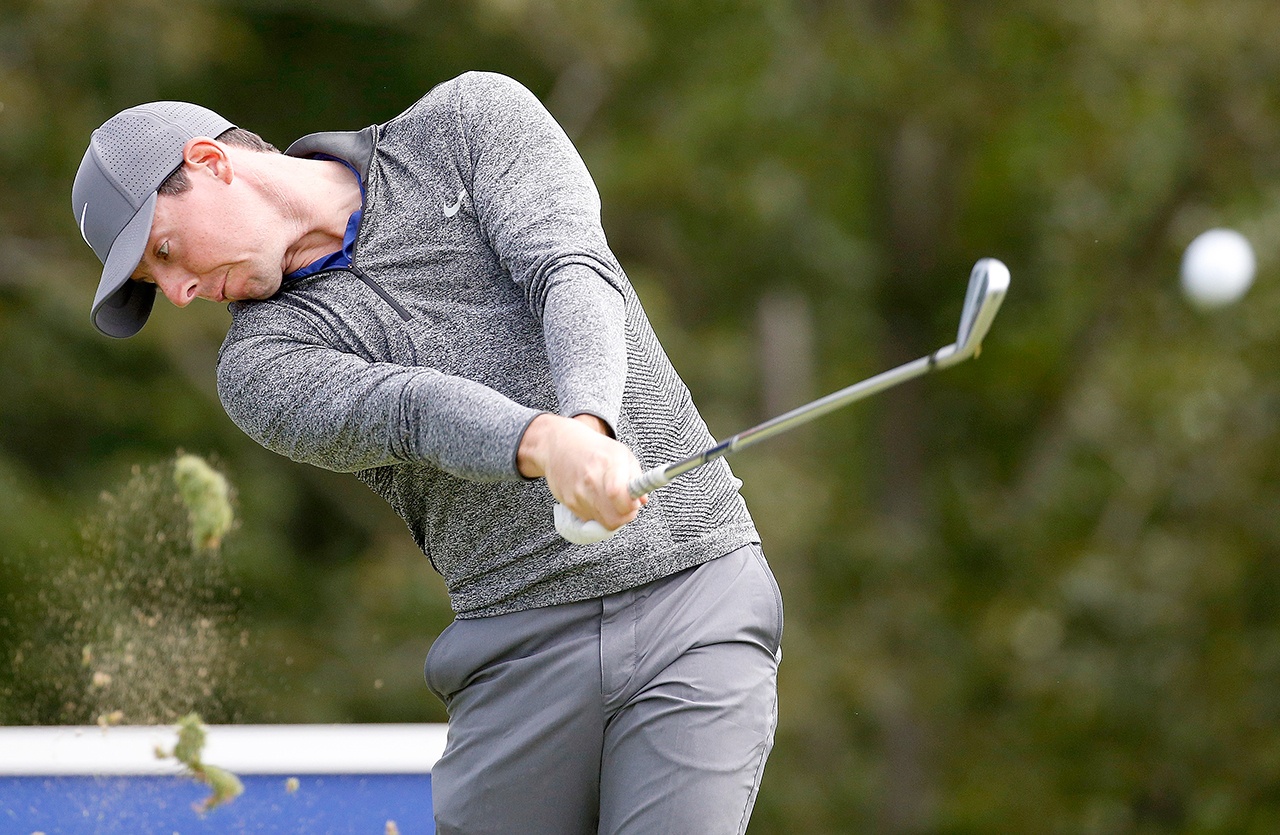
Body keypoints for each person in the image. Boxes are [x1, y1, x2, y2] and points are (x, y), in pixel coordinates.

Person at [72, 72, 782, 834]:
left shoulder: (469, 122)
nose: (178, 294)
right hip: (518, 646)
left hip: (693, 589)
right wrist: (549, 444)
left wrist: (592, 422)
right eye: (157, 281)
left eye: (168, 251)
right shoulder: (261, 366)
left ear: (211, 162)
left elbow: (569, 269)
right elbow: (411, 409)